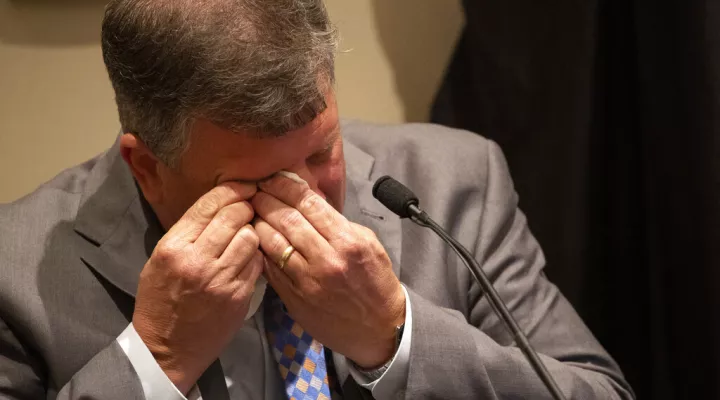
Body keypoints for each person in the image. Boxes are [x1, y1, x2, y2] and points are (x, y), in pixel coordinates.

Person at [0, 0, 634, 399]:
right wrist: (156, 360)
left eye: (321, 152)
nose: (303, 197)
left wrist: (397, 337)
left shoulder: (455, 181)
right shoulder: (15, 270)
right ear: (147, 168)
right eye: (252, 184)